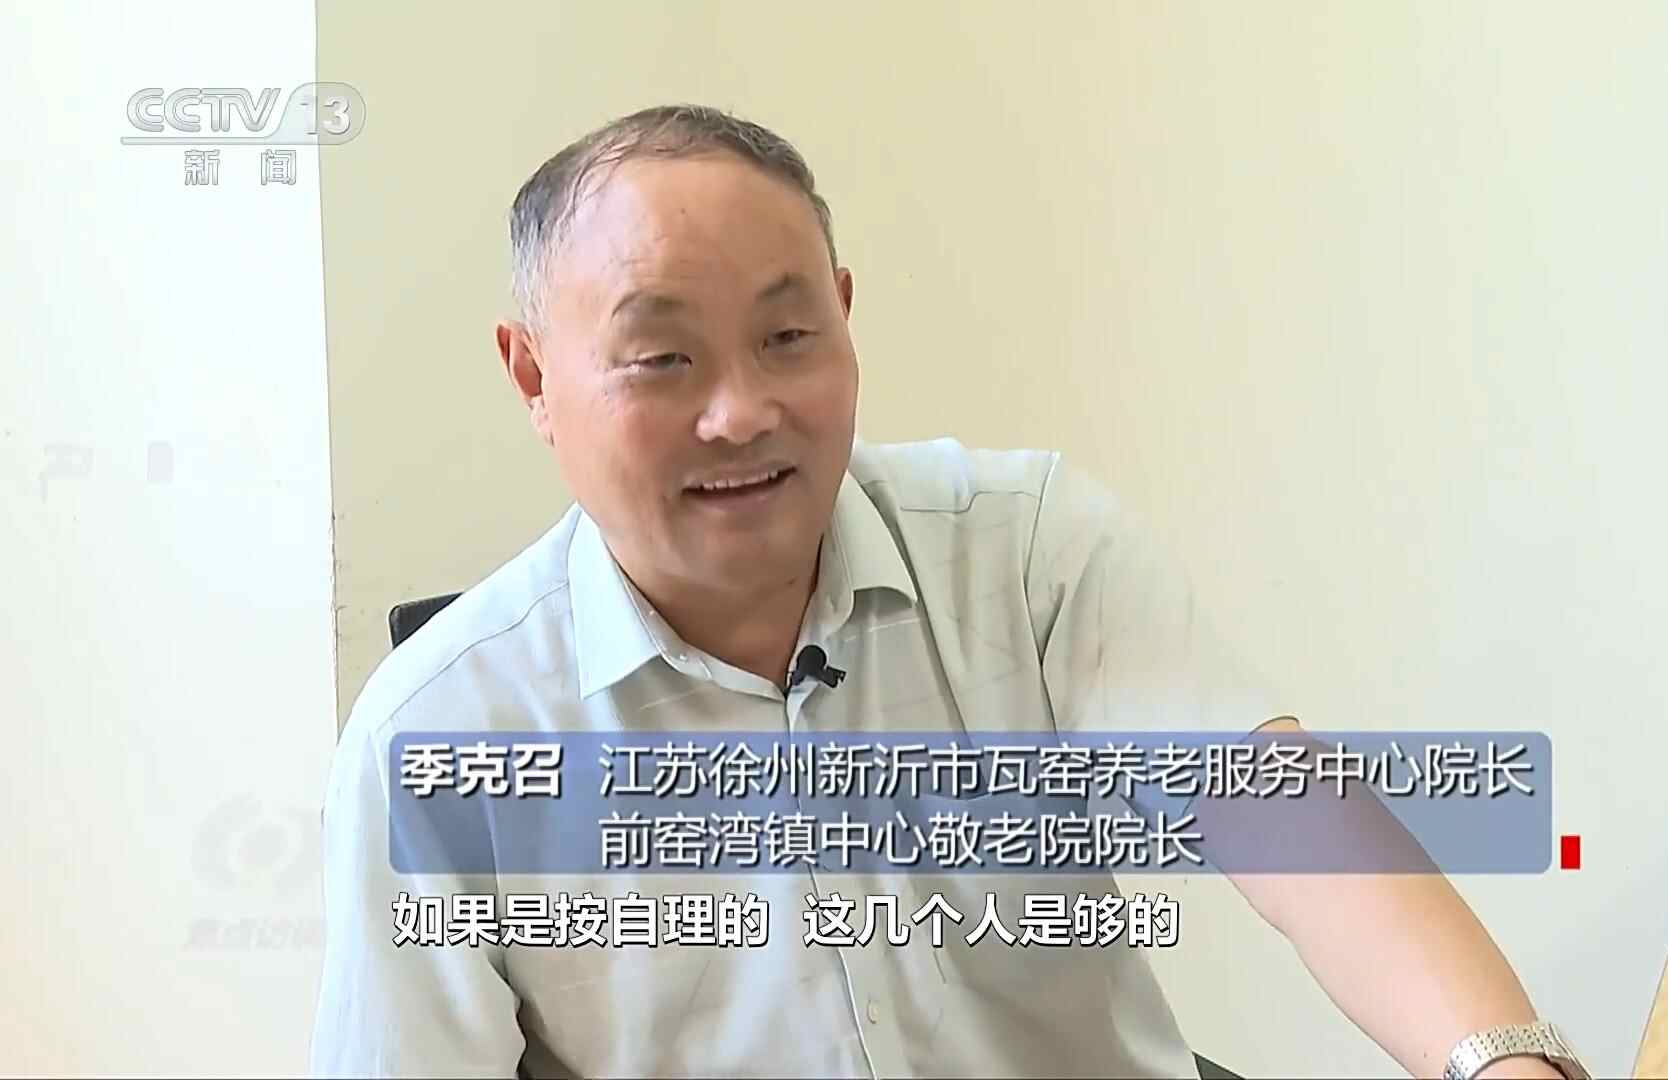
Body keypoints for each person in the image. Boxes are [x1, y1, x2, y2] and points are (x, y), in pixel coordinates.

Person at [310, 103, 1587, 1079]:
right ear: (533, 378)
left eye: (788, 336)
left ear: (846, 316)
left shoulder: (1022, 549)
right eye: (663, 358)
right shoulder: (437, 740)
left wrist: (1500, 1062)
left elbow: (1289, 822)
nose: (741, 410)